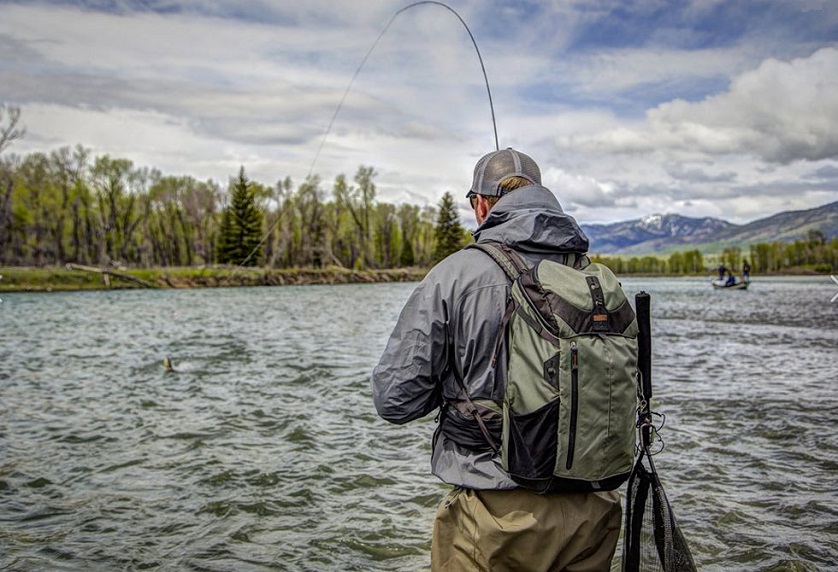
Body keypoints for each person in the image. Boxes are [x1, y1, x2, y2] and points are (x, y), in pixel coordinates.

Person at [371, 148, 622, 571]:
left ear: (482, 205)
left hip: (495, 516)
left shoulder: (456, 274)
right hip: (594, 510)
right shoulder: (592, 277)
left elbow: (395, 400)